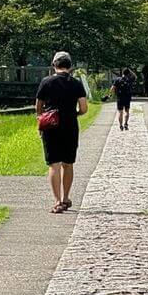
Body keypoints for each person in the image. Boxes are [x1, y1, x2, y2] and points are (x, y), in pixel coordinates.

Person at [35, 51, 89, 214]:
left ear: (54, 65)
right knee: (68, 163)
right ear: (70, 67)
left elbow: (38, 106)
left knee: (54, 164)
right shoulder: (76, 83)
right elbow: (84, 108)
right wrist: (75, 114)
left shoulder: (46, 82)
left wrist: (41, 117)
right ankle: (66, 198)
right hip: (70, 126)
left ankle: (57, 201)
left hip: (51, 126)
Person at [111, 67, 136, 131]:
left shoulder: (118, 79)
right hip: (127, 97)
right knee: (127, 111)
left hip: (120, 97)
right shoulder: (130, 79)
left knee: (120, 112)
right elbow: (135, 76)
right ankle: (126, 124)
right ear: (129, 73)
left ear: (122, 73)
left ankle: (120, 125)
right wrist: (130, 71)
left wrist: (113, 94)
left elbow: (112, 89)